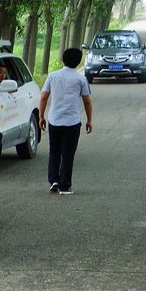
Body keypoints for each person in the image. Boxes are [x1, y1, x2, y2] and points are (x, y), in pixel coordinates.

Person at [39, 48, 93, 195]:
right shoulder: (80, 79)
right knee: (68, 154)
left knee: (54, 151)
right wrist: (89, 120)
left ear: (63, 60)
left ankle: (53, 180)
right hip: (72, 122)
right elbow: (87, 101)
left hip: (54, 120)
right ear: (78, 62)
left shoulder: (52, 76)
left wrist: (41, 116)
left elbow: (44, 96)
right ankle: (64, 185)